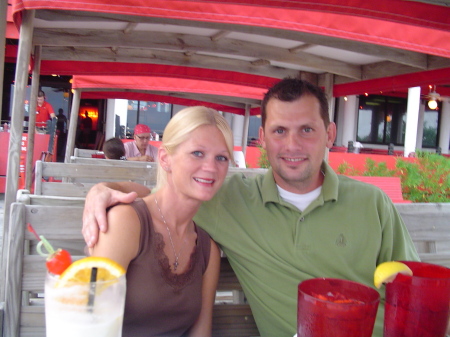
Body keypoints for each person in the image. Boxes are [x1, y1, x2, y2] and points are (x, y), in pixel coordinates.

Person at [82, 78, 420, 337]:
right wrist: (103, 189)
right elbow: (164, 199)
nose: (292, 145)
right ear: (263, 137)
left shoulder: (372, 203)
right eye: (279, 131)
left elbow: (414, 293)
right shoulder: (225, 195)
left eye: (306, 130)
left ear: (329, 133)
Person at [89, 106, 234, 336]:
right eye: (197, 153)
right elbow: (93, 323)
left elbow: (200, 331)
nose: (211, 167)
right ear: (166, 159)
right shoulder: (125, 223)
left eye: (221, 157)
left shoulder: (208, 250)